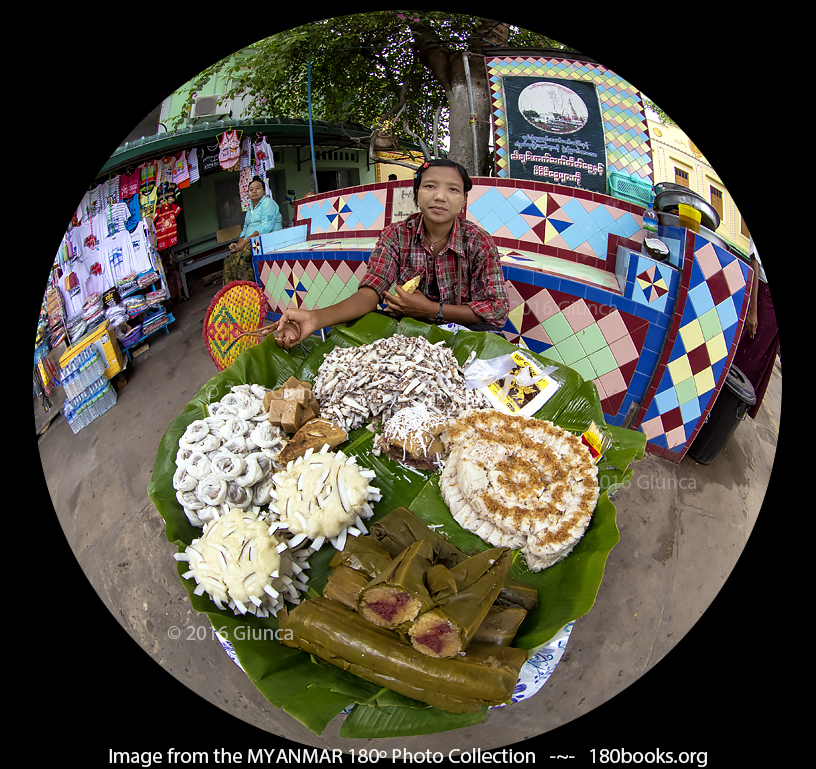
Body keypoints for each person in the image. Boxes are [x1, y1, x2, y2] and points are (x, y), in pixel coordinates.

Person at [274, 158, 509, 348]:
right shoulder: (395, 235)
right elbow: (370, 292)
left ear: (464, 199)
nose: (440, 196)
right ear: (416, 193)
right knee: (357, 326)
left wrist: (432, 310)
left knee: (495, 340)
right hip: (407, 331)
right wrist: (316, 319)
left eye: (453, 189)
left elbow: (497, 309)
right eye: (430, 186)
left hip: (461, 335)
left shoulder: (479, 242)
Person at [732, 235, 778, 419]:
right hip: (763, 297)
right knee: (745, 355)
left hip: (772, 314)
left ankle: (733, 409)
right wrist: (753, 312)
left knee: (758, 362)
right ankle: (721, 401)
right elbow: (754, 259)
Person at [223, 175, 282, 285]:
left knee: (243, 257)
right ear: (248, 194)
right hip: (250, 241)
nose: (254, 191)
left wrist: (244, 244)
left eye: (258, 188)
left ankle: (250, 290)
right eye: (251, 189)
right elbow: (245, 229)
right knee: (229, 259)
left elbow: (265, 228)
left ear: (264, 191)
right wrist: (237, 245)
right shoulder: (250, 208)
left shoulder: (268, 203)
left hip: (266, 238)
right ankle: (233, 291)